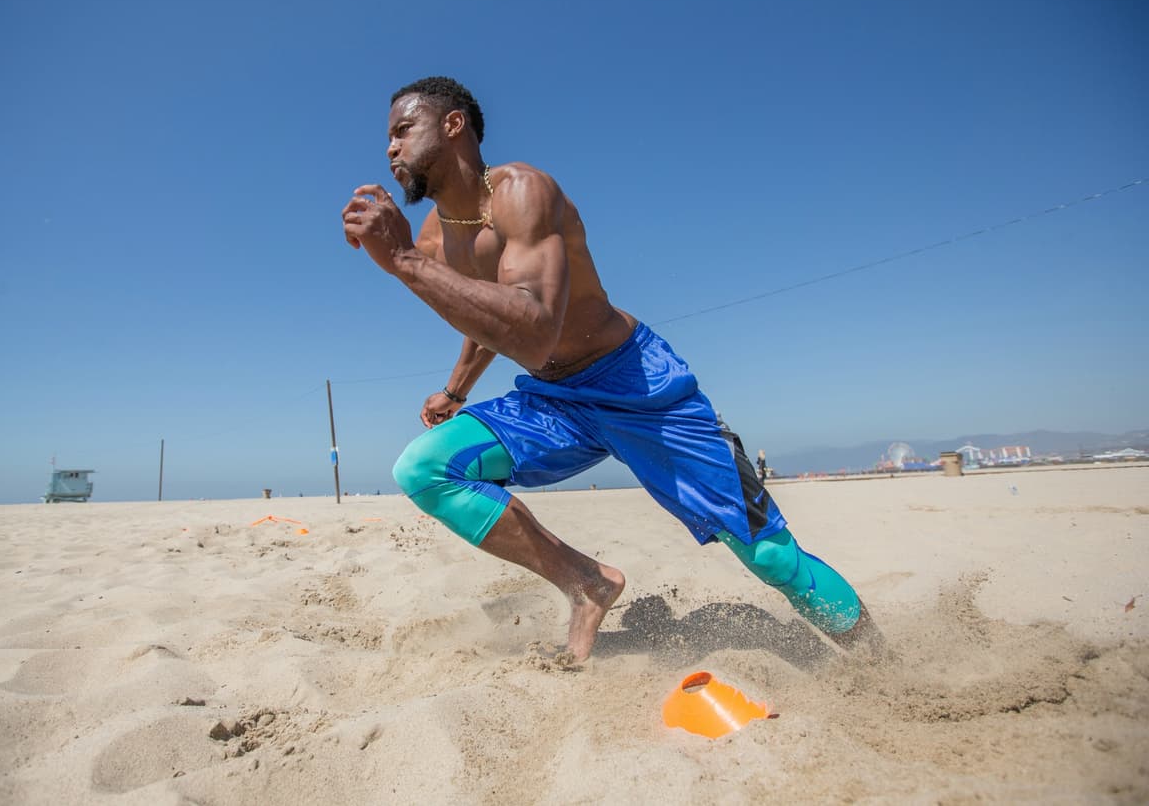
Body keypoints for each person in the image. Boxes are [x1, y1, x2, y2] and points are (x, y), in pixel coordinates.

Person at [341, 76, 880, 662]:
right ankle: (586, 584)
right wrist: (454, 389)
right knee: (424, 468)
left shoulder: (520, 193)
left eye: (402, 131)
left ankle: (885, 666)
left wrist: (401, 262)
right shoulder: (434, 239)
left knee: (769, 555)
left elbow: (534, 322)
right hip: (555, 400)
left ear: (453, 126)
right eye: (388, 138)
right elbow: (487, 318)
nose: (390, 149)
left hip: (640, 388)